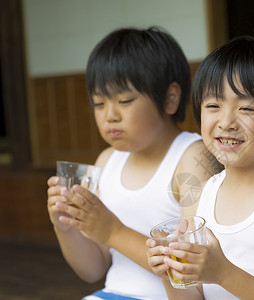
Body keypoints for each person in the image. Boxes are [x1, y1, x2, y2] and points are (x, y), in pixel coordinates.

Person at [46, 26, 220, 300]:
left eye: (124, 100)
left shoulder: (192, 157)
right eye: (98, 103)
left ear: (170, 98)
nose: (110, 116)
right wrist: (65, 226)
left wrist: (113, 231)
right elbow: (94, 269)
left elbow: (192, 270)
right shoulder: (107, 161)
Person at [147, 35, 254, 300]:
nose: (226, 121)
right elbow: (193, 296)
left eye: (247, 108)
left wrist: (223, 273)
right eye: (213, 106)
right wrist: (170, 273)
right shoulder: (203, 193)